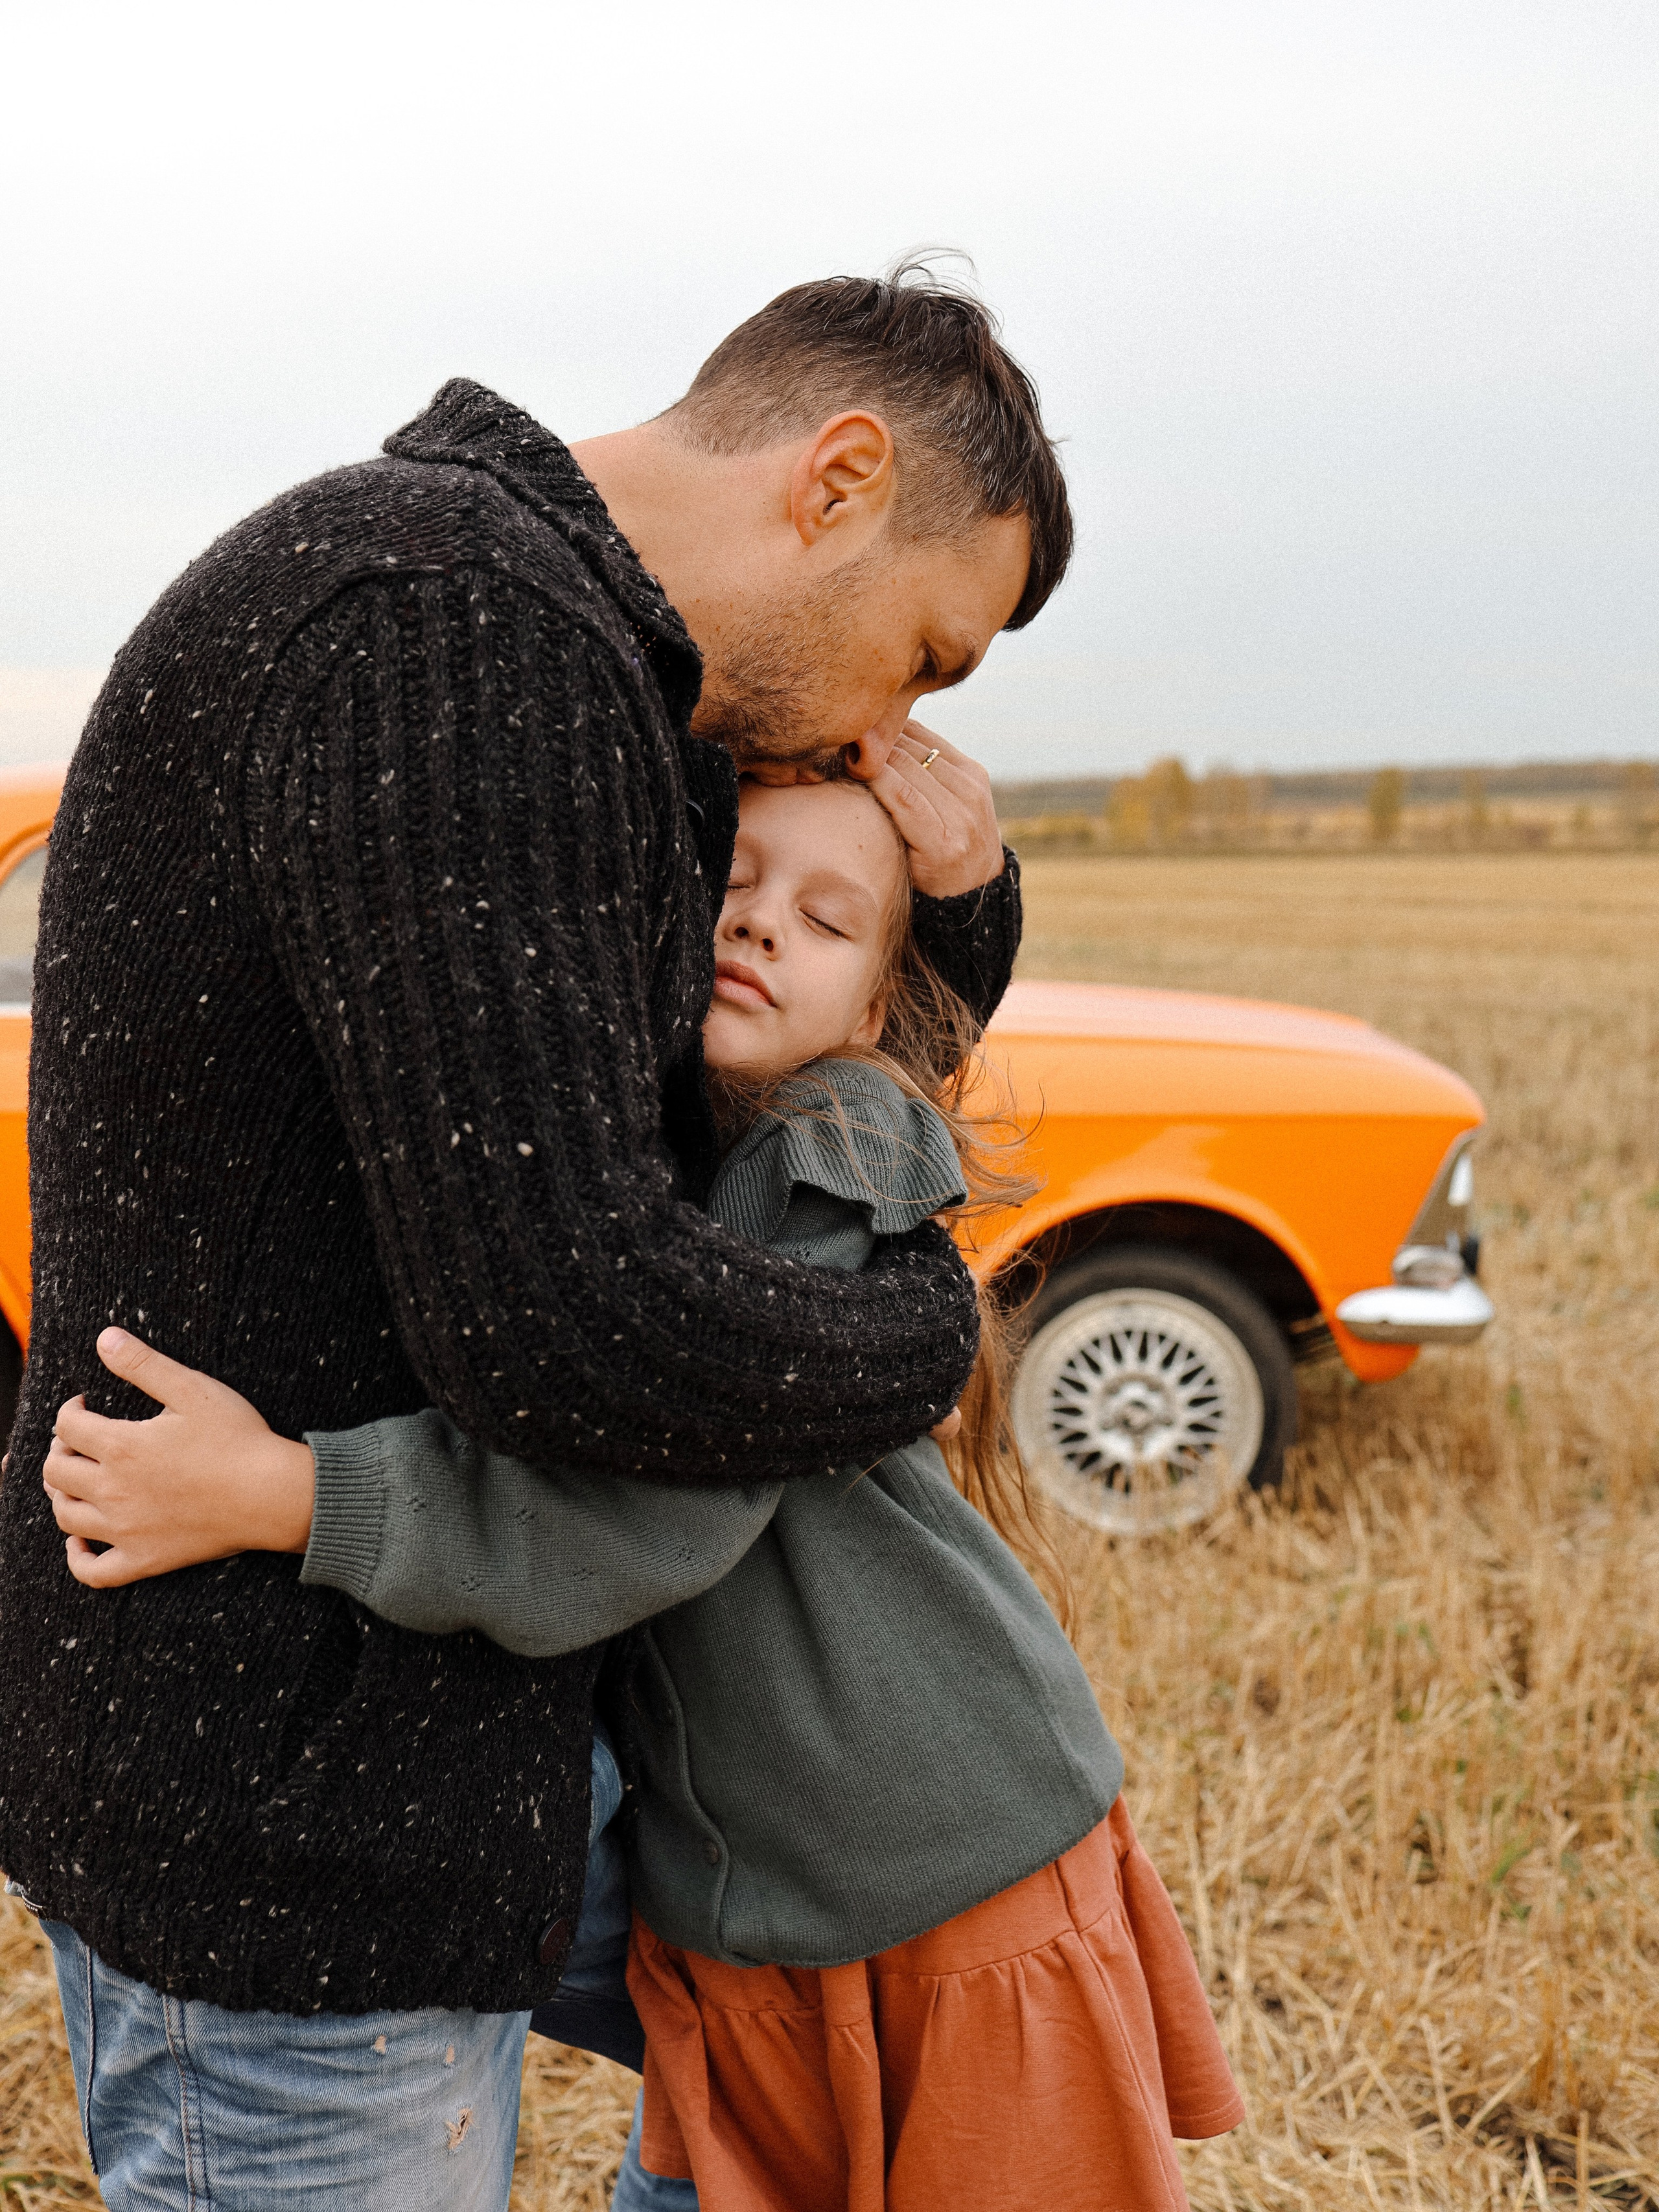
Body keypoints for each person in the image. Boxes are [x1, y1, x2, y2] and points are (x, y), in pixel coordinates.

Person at [0, 268, 1073, 2209]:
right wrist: (927, 1324)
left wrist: (957, 910)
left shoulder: (564, 665)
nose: (892, 720)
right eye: (925, 652)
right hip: (294, 1797)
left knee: (828, 2086)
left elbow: (697, 1101)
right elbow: (576, 1318)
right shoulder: (453, 642)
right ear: (838, 479)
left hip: (452, 1743)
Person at [45, 774, 1244, 2211]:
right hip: (760, 1904)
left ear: (875, 1009)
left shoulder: (828, 1150)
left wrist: (289, 1493)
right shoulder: (682, 1136)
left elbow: (648, 1504)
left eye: (822, 918)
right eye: (731, 881)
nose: (757, 927)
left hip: (939, 1875)